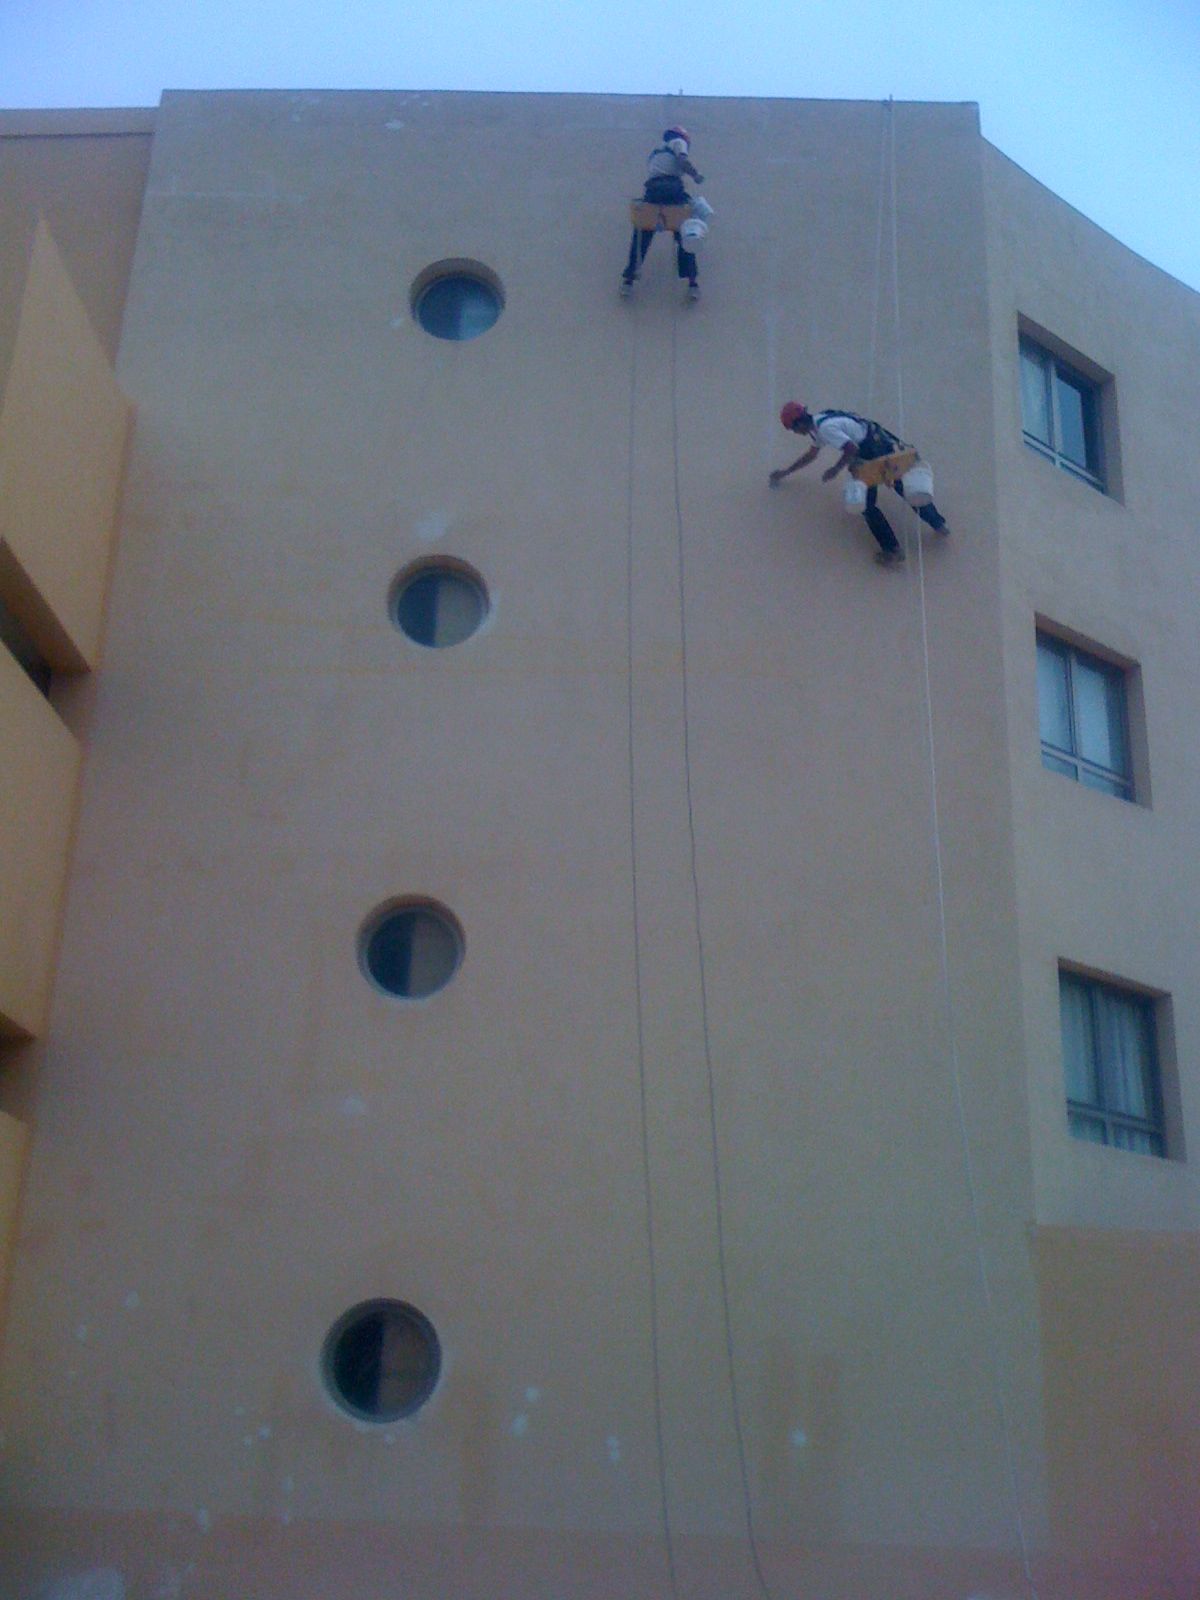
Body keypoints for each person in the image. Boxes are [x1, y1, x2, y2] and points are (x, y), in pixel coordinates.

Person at [770, 401, 949, 565]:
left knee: (867, 506)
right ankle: (938, 524)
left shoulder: (825, 429)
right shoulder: (821, 421)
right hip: (881, 443)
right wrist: (785, 472)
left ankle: (892, 550)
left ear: (799, 423)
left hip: (870, 453)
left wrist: (835, 469)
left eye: (793, 429)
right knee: (902, 486)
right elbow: (811, 454)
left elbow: (851, 448)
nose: (795, 433)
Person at [620, 127, 704, 301]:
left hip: (652, 192)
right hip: (672, 190)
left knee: (642, 234)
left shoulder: (655, 154)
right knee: (687, 233)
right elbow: (682, 161)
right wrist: (695, 175)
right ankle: (692, 283)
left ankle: (628, 281)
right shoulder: (678, 142)